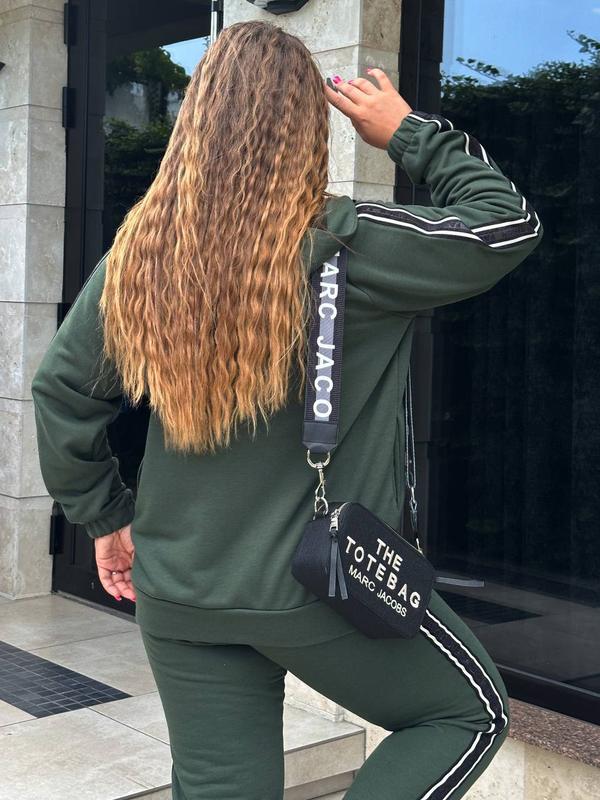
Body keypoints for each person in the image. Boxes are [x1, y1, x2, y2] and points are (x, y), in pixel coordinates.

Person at [31, 19, 543, 800]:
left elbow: (62, 392)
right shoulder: (356, 244)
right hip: (313, 591)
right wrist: (406, 130)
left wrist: (103, 516)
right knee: (466, 714)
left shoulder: (141, 257)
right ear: (310, 128)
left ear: (194, 120)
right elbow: (505, 223)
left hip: (180, 588)